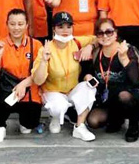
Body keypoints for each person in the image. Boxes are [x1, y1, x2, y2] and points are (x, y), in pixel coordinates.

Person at [84, 18, 139, 142]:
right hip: (110, 98)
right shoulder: (96, 53)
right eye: (100, 33)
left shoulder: (126, 49)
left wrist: (124, 58)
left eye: (109, 32)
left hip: (133, 94)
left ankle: (133, 125)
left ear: (115, 33)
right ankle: (117, 119)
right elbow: (87, 71)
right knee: (93, 121)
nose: (105, 36)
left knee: (124, 96)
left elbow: (135, 80)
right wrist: (87, 76)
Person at [31, 11, 97, 141]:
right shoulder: (45, 49)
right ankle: (55, 117)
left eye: (68, 26)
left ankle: (79, 126)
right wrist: (44, 61)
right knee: (58, 106)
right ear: (54, 29)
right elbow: (38, 80)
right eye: (60, 27)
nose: (65, 30)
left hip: (72, 89)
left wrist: (90, 46)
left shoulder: (76, 42)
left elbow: (96, 38)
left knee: (89, 87)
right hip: (53, 91)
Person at [0, 9, 43, 142]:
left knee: (29, 125)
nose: (16, 28)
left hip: (29, 90)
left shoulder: (36, 45)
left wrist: (23, 84)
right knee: (1, 100)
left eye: (20, 24)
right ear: (7, 24)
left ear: (27, 25)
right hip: (8, 91)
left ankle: (24, 122)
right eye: (12, 24)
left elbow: (39, 73)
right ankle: (0, 127)